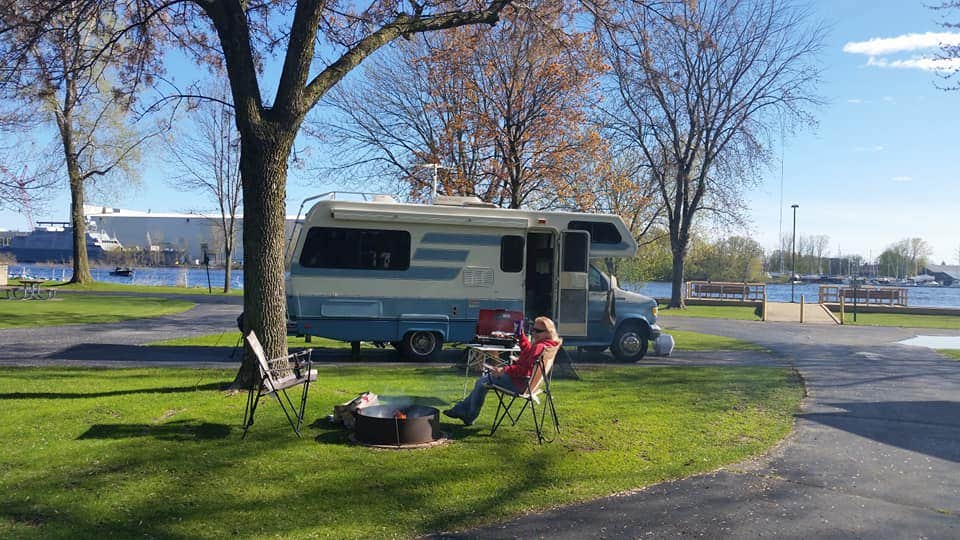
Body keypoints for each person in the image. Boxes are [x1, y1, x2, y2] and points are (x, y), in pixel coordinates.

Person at [444, 316, 561, 426]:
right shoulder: (548, 345)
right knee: (484, 380)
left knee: (482, 382)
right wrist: (521, 337)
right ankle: (462, 409)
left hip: (520, 384)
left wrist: (504, 370)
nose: (534, 333)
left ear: (547, 332)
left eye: (537, 331)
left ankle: (469, 415)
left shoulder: (539, 347)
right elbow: (528, 354)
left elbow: (526, 371)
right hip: (528, 385)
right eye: (533, 329)